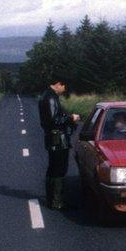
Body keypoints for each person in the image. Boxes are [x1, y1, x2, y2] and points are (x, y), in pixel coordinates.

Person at [38, 77, 79, 209]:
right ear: (58, 84)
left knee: (53, 168)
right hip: (57, 138)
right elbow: (54, 120)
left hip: (53, 137)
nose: (64, 89)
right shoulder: (50, 97)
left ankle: (53, 200)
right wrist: (71, 117)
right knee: (59, 169)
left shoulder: (47, 95)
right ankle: (57, 201)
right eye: (64, 86)